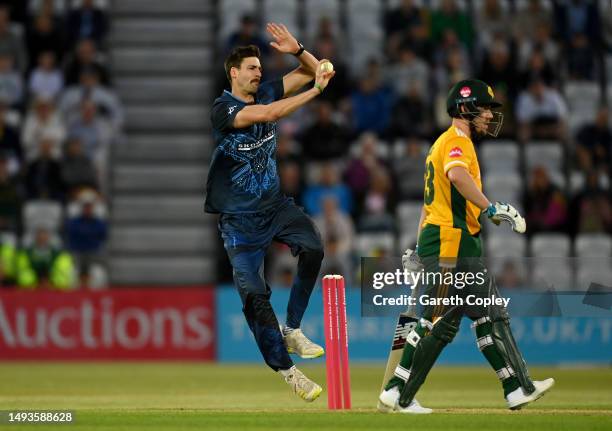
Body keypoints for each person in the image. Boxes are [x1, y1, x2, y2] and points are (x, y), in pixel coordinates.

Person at [378, 79, 554, 413]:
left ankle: (401, 393)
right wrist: (490, 208)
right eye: (484, 108)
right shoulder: (458, 141)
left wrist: (418, 248)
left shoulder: (441, 143)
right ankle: (517, 387)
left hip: (444, 239)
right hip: (453, 243)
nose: (489, 115)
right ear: (465, 109)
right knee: (477, 314)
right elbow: (458, 176)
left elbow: (428, 205)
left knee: (445, 323)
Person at [204, 23, 335, 402]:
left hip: (274, 206)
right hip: (238, 221)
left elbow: (318, 70)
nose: (259, 72)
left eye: (261, 67)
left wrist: (299, 51)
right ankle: (288, 372)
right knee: (255, 297)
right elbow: (273, 113)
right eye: (251, 68)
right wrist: (315, 92)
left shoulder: (265, 91)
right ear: (233, 72)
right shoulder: (223, 109)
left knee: (312, 247)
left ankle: (292, 328)